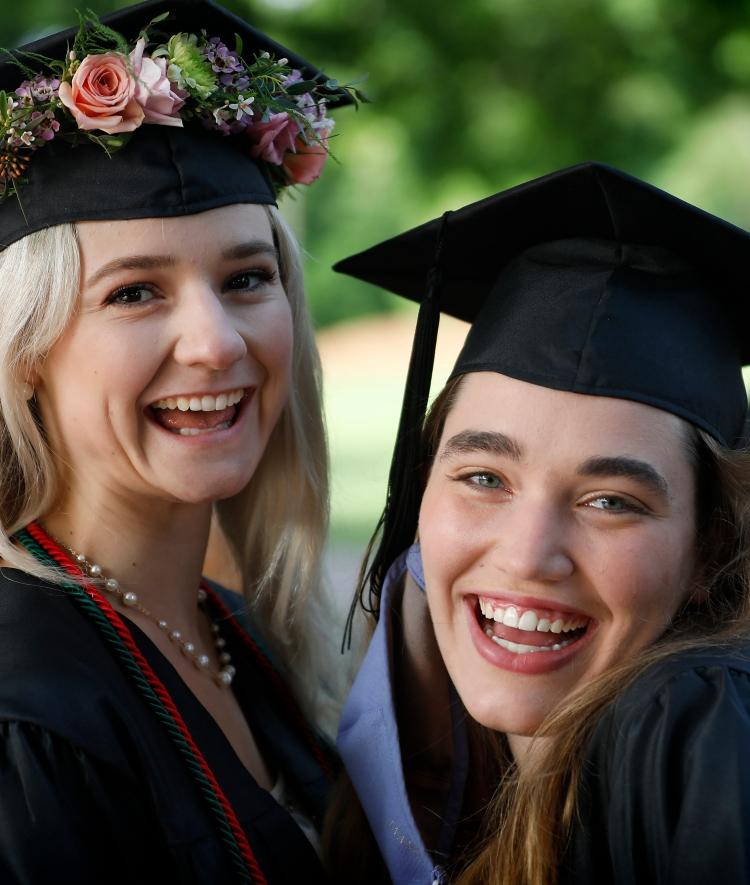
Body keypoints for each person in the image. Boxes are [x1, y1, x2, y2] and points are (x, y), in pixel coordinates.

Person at [0, 0, 358, 881]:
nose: (217, 342)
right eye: (134, 293)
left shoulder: (240, 629)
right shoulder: (22, 707)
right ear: (27, 353)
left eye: (246, 277)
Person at [332, 162, 750, 884]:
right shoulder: (432, 762)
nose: (528, 555)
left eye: (611, 500)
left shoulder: (692, 728)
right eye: (484, 478)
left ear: (709, 549)